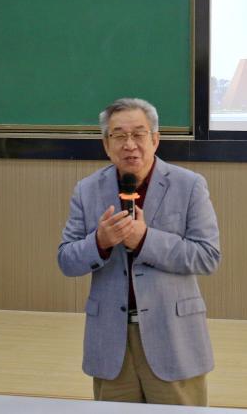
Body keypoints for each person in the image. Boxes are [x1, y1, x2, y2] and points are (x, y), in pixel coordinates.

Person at [58, 97, 220, 405]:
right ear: (106, 145)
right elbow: (66, 259)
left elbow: (207, 256)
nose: (129, 144)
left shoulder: (189, 185)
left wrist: (146, 239)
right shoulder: (87, 190)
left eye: (138, 134)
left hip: (173, 338)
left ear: (155, 139)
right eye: (119, 135)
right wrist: (100, 242)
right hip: (111, 343)